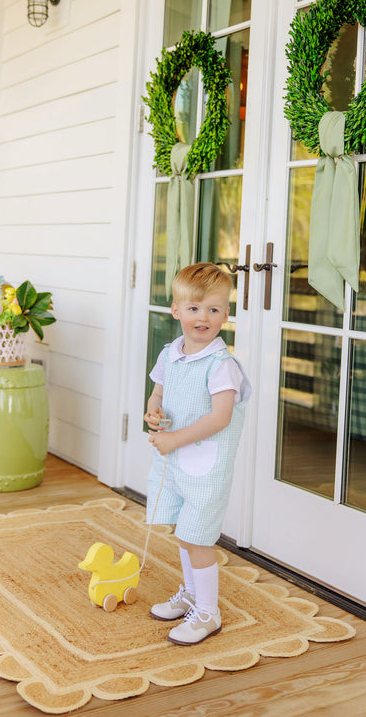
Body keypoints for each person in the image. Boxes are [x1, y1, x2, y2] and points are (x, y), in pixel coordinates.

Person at [144, 262, 252, 645]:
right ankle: (191, 593)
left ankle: (208, 612)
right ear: (176, 311)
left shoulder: (223, 366)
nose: (202, 317)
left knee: (199, 538)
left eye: (213, 309)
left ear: (226, 313)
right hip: (176, 465)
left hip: (205, 469)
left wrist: (174, 440)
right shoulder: (170, 354)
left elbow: (221, 417)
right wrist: (153, 411)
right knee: (183, 531)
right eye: (193, 309)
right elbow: (159, 392)